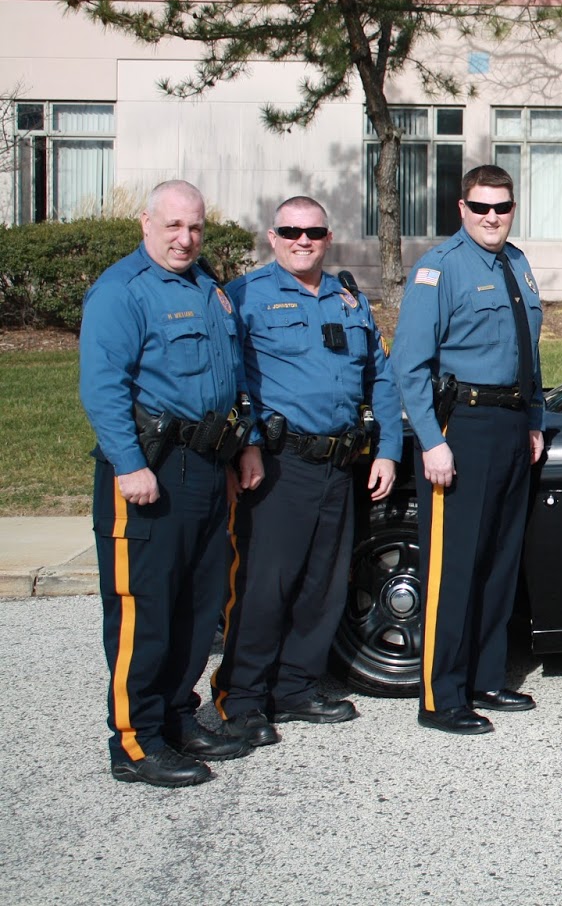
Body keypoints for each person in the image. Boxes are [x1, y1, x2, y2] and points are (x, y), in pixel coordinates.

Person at [79, 179, 257, 788]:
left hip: (207, 467)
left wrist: (238, 454)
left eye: (196, 228)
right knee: (144, 611)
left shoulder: (206, 286)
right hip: (150, 470)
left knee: (197, 604)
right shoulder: (121, 291)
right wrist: (129, 465)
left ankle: (178, 717)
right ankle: (135, 740)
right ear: (145, 223)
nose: (185, 239)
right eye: (173, 227)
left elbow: (231, 376)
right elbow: (103, 387)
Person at [210, 196, 404, 746]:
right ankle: (242, 696)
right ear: (272, 237)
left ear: (327, 236)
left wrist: (388, 448)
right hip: (277, 464)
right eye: (291, 231)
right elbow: (231, 381)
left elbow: (380, 378)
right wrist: (245, 443)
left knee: (322, 585)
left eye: (314, 232)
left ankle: (294, 688)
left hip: (340, 464)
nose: (303, 240)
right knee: (263, 586)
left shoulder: (348, 300)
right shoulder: (245, 297)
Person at [392, 164, 545, 736]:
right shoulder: (440, 268)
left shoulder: (518, 263)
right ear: (462, 209)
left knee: (499, 561)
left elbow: (527, 352)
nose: (491, 217)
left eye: (501, 207)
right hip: (461, 427)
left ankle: (485, 677)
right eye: (480, 207)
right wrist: (432, 440)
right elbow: (408, 364)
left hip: (509, 425)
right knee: (452, 568)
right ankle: (441, 695)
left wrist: (530, 419)